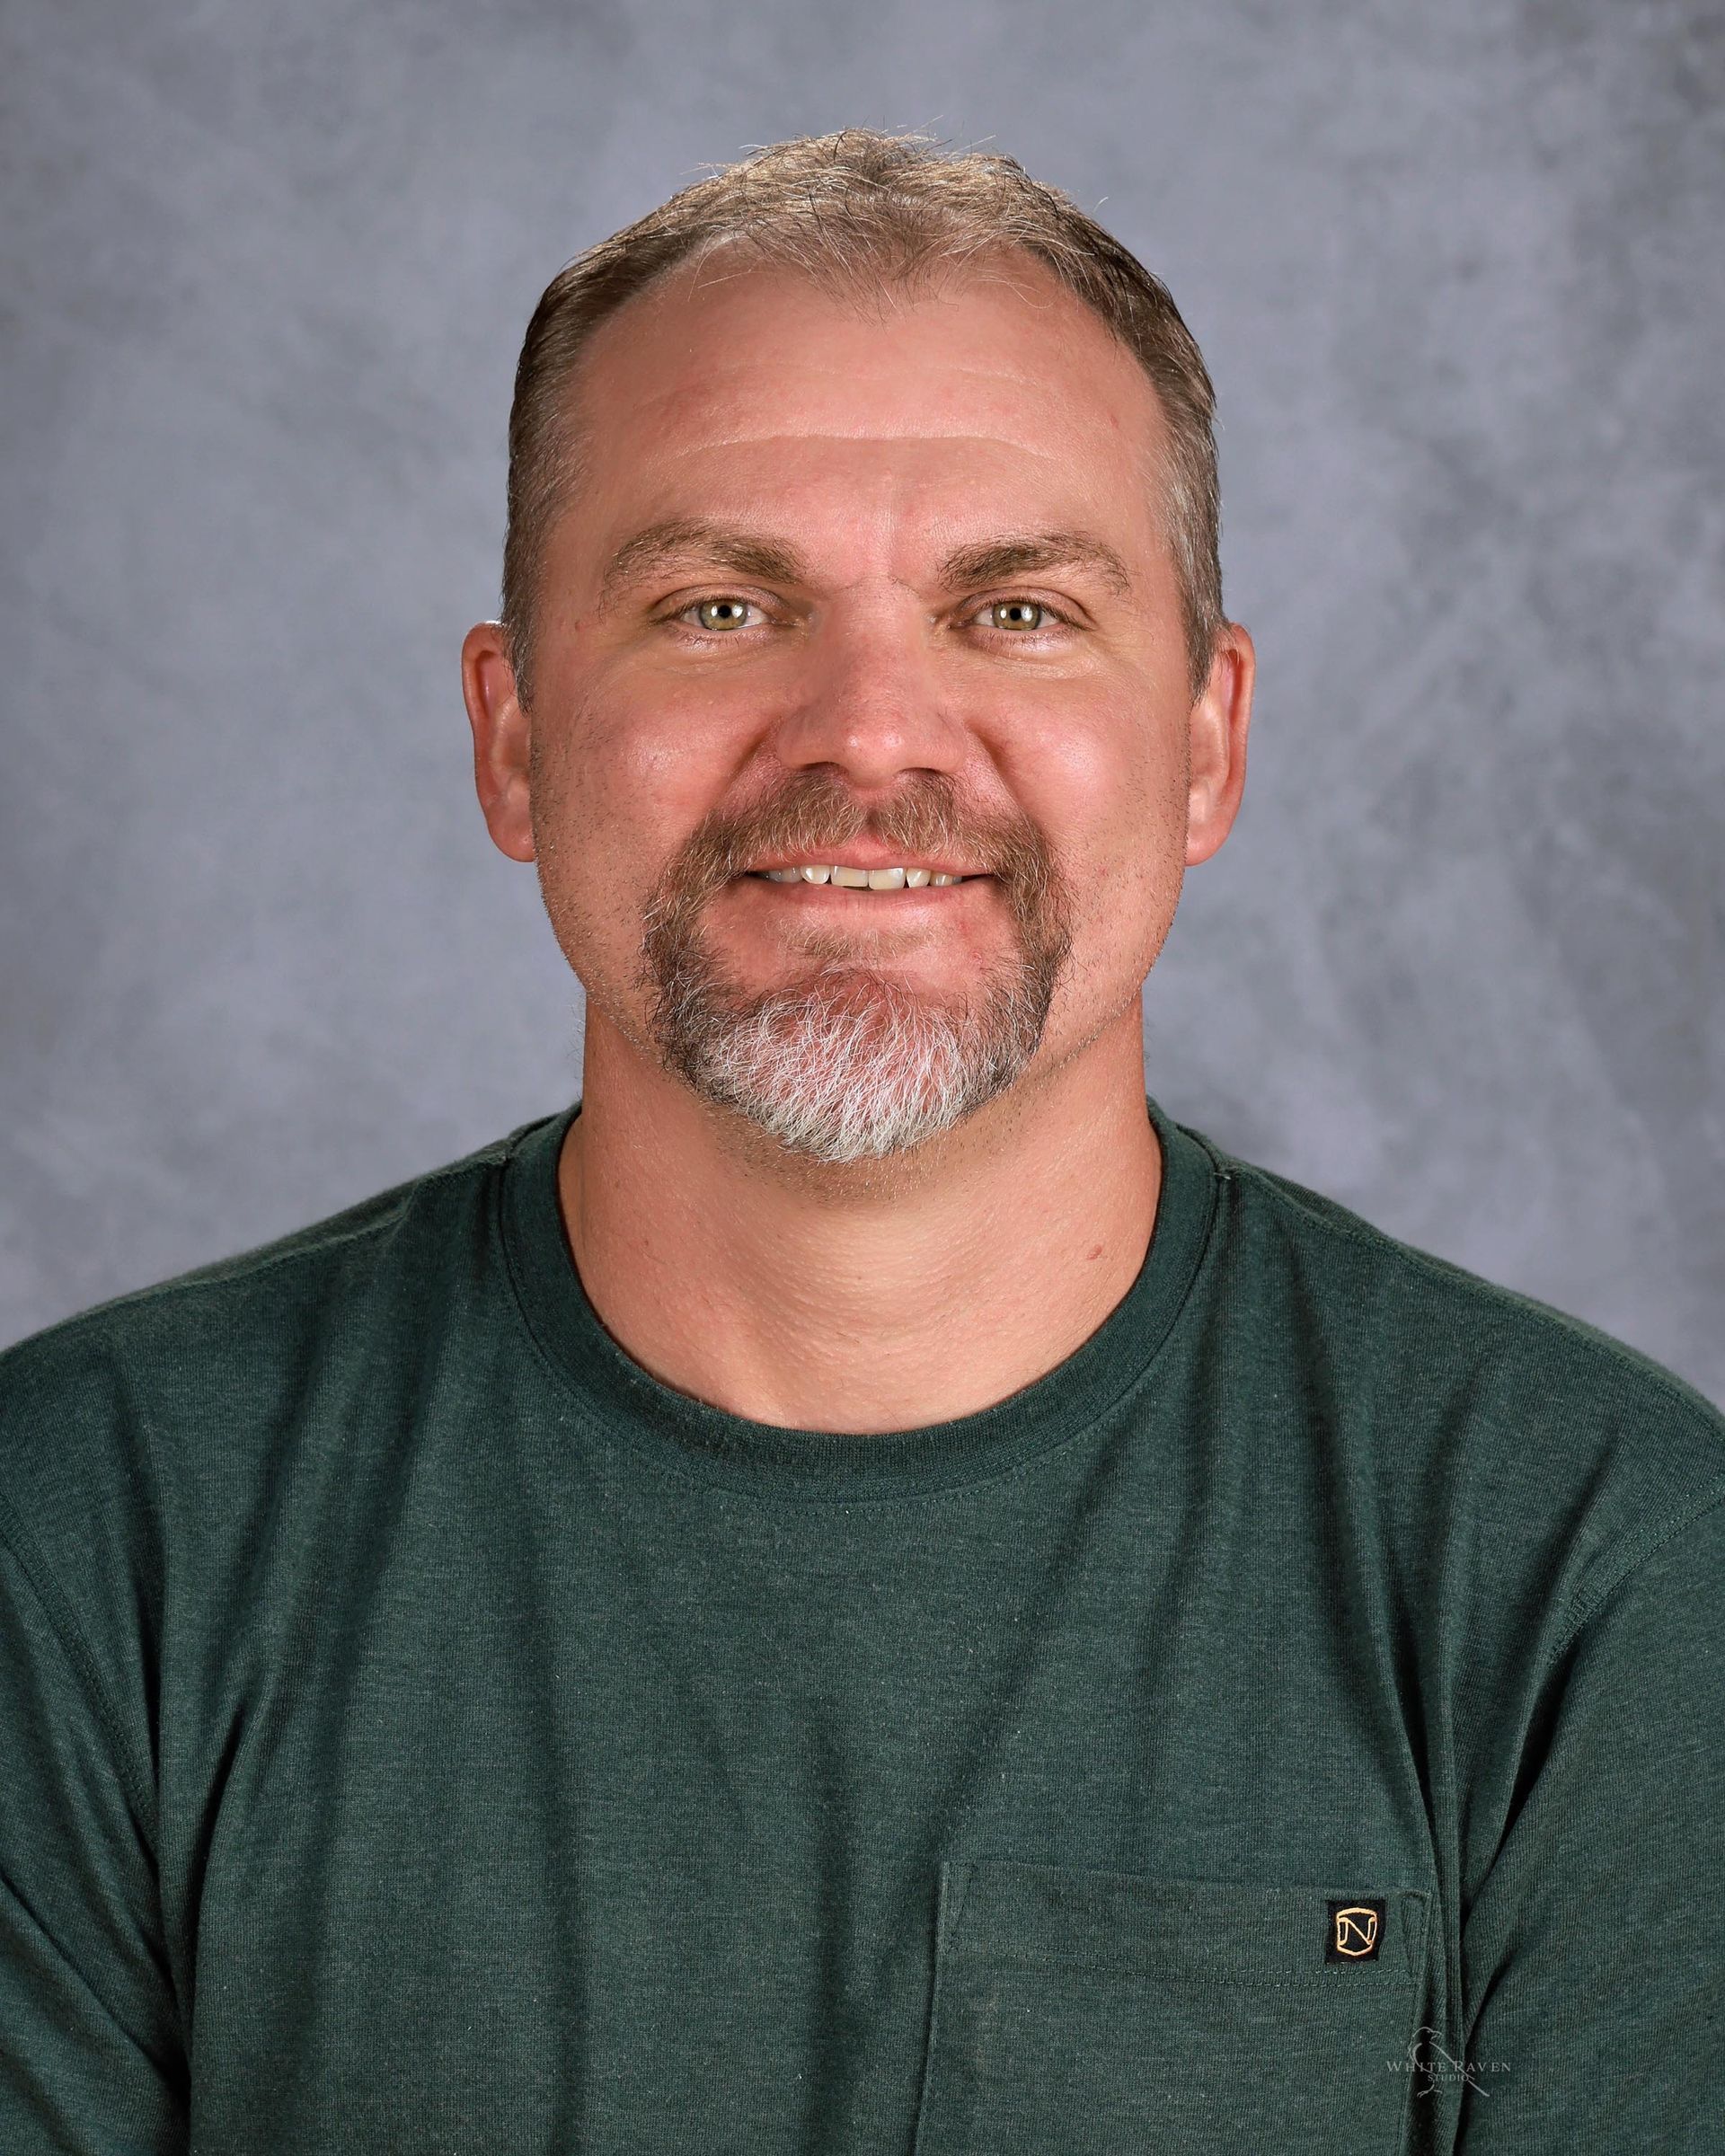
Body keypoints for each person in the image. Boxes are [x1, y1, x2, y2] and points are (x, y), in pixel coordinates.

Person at [1, 128, 1720, 2156]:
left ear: (1204, 745)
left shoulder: (1599, 1575)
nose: (870, 736)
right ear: (516, 738)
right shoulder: (86, 1543)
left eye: (1017, 613)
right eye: (724, 604)